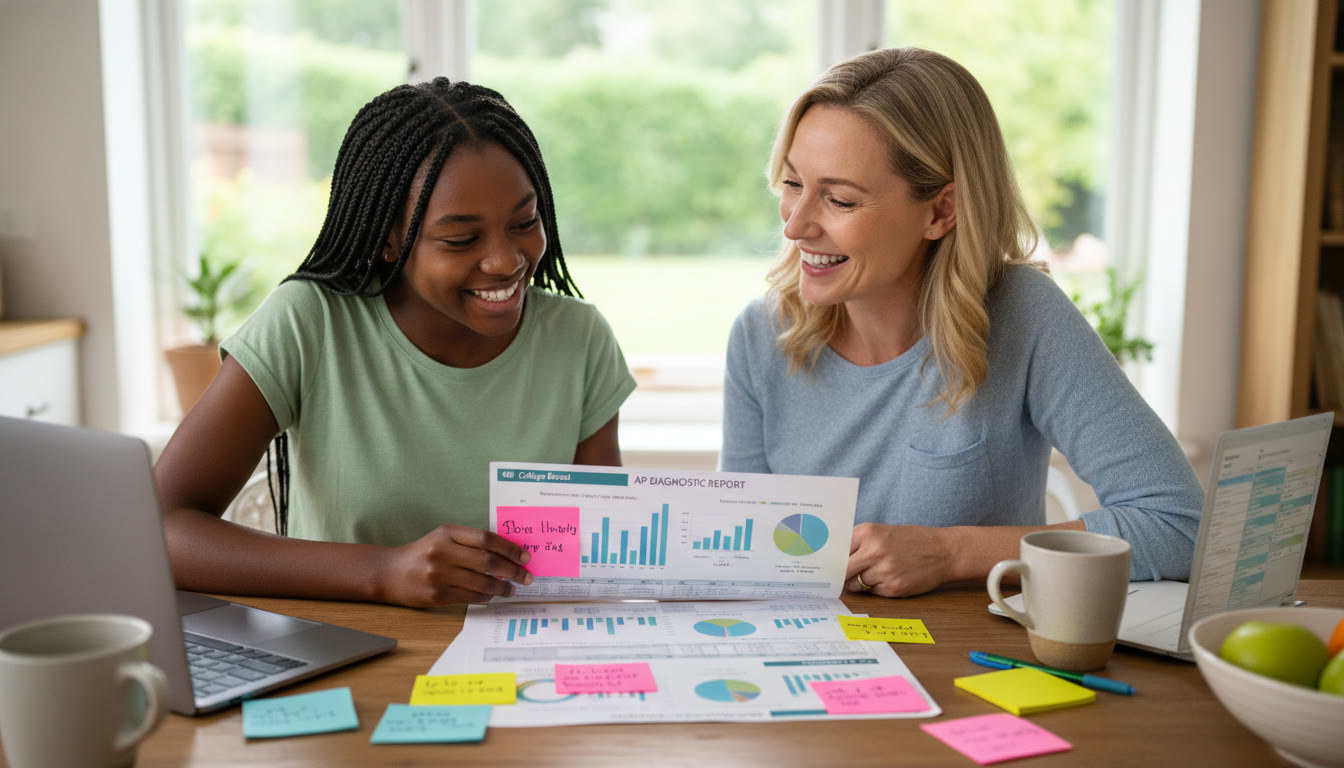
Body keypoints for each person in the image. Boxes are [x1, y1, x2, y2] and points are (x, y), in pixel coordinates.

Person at [720, 47, 1203, 598]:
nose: (796, 225)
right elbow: (738, 556)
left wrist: (951, 553)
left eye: (839, 200)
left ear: (941, 211)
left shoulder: (1023, 315)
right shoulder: (761, 337)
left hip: (976, 662)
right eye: (792, 184)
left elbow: (1180, 525)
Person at [155, 78, 636, 608]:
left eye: (524, 221)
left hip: (524, 657)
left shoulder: (579, 339)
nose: (507, 260)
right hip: (347, 654)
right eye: (461, 239)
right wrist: (383, 572)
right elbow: (160, 529)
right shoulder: (309, 324)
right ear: (388, 239)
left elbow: (596, 556)